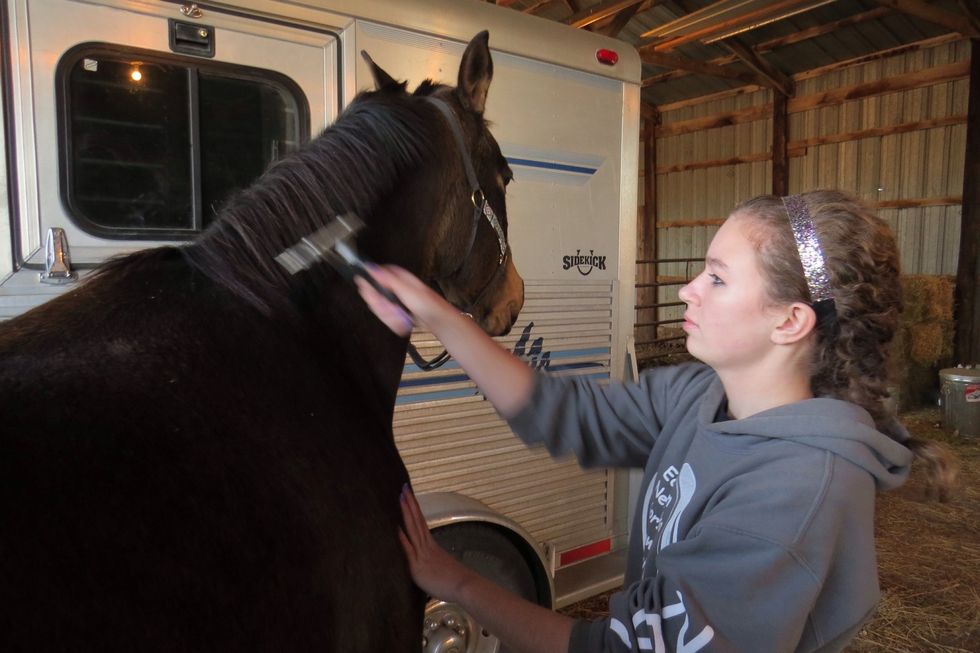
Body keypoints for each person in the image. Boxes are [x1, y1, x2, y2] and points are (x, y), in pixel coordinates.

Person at [356, 190, 955, 653]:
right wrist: (435, 309)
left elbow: (615, 649)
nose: (687, 289)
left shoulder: (796, 494)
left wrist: (455, 583)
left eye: (717, 278)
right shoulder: (701, 393)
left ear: (791, 321)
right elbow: (564, 413)